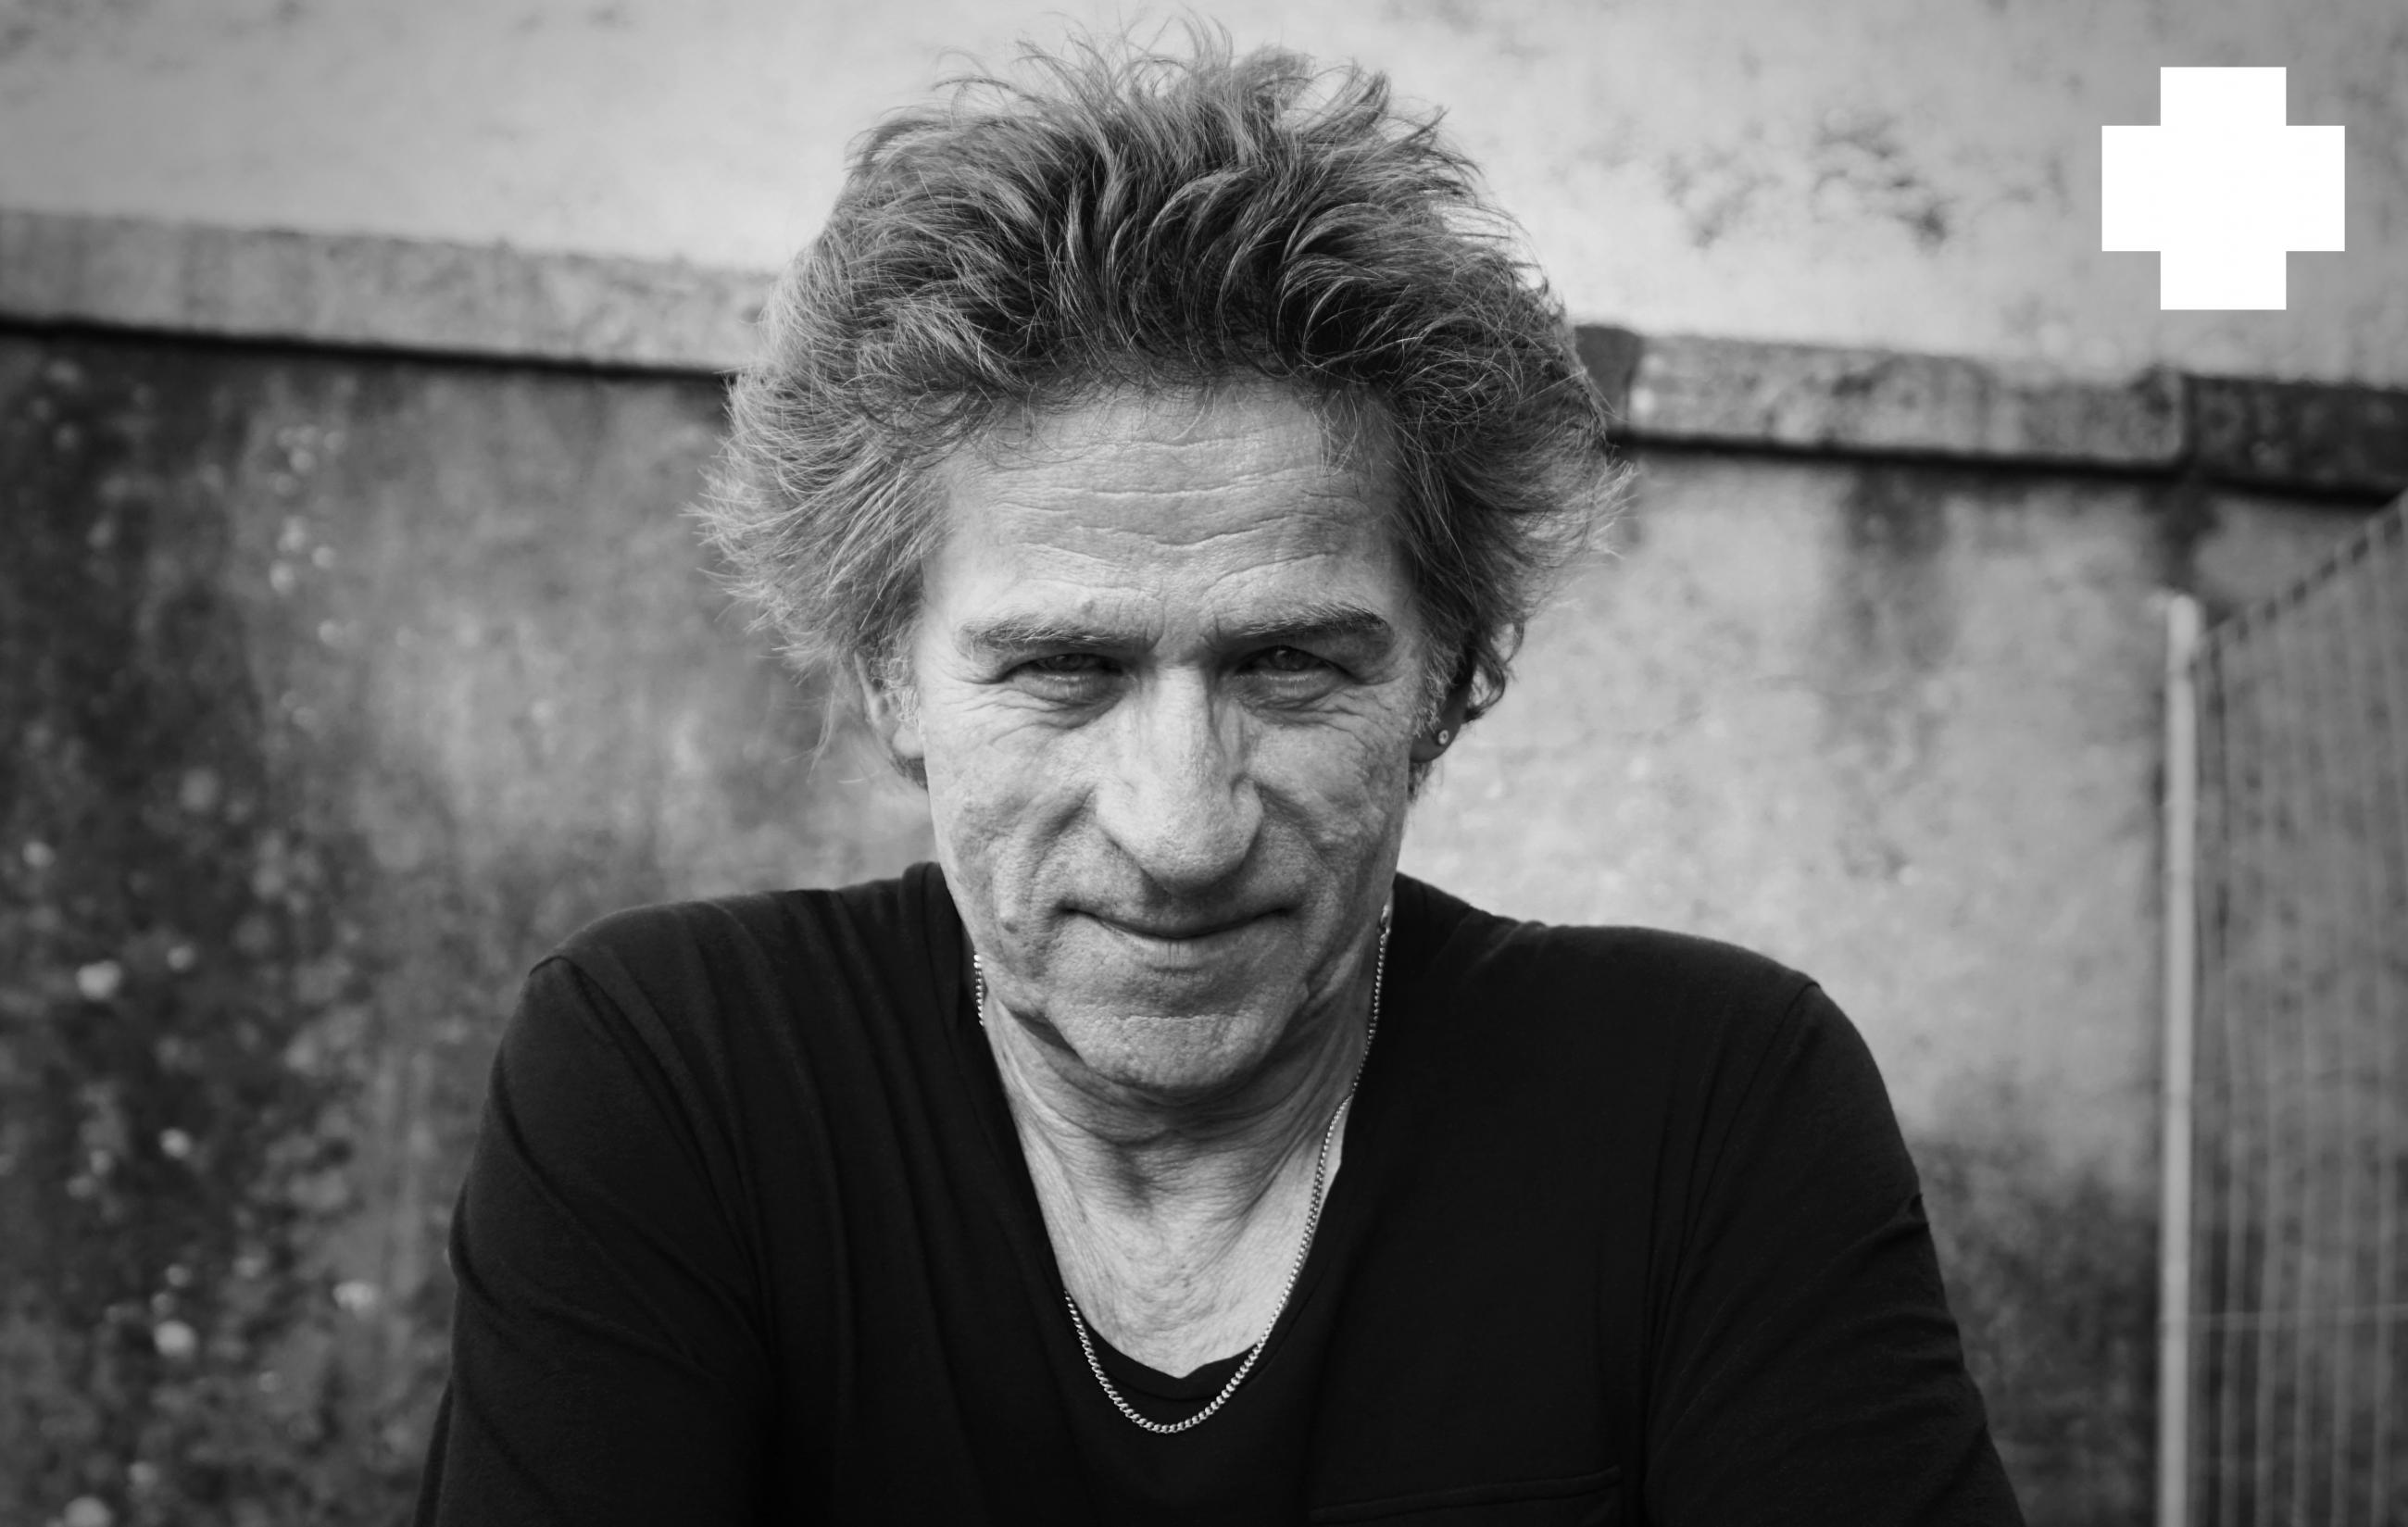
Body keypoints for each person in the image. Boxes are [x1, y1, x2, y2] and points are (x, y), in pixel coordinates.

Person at [412, 28, 2024, 1526]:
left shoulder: (1704, 1113)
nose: (1181, 828)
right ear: (890, 674)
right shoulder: (682, 1082)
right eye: (1067, 668)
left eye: (1289, 664)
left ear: (1450, 676)